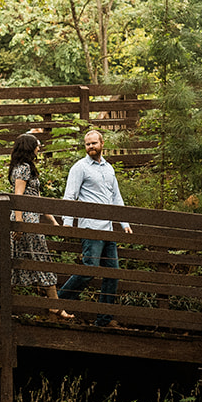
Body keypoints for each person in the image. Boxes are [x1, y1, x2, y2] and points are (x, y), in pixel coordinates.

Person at [56, 128, 132, 326]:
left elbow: (116, 197)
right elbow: (70, 195)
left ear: (102, 144)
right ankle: (57, 304)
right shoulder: (80, 167)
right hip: (90, 227)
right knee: (90, 268)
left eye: (94, 143)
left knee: (112, 273)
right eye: (87, 144)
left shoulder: (108, 168)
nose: (90, 147)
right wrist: (67, 223)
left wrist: (124, 223)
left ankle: (103, 320)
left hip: (108, 228)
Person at [0, 133, 73, 320]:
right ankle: (55, 307)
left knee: (17, 262)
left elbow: (35, 198)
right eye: (37, 145)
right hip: (26, 220)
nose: (40, 147)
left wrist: (52, 220)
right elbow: (19, 197)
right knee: (41, 260)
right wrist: (19, 224)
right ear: (30, 147)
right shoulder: (23, 168)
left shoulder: (26, 167)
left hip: (29, 219)